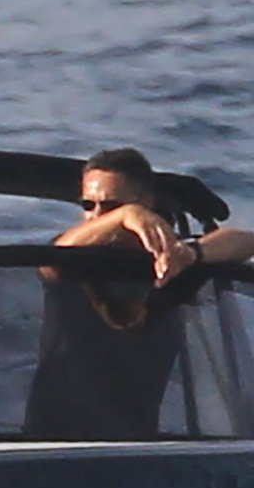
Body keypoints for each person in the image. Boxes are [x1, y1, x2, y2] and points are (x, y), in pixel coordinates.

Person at [25, 148, 254, 440]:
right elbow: (55, 258)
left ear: (147, 203)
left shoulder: (168, 265)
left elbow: (245, 242)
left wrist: (191, 253)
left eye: (111, 205)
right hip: (53, 440)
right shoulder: (72, 259)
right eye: (88, 205)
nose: (96, 217)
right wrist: (124, 215)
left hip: (135, 441)